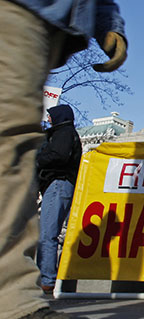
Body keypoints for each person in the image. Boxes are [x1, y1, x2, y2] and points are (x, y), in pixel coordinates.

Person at [0, 0, 127, 319]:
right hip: (26, 12)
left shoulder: (63, 136)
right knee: (9, 137)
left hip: (47, 22)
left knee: (13, 139)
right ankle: (8, 305)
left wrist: (104, 18)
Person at [36, 105, 82, 294]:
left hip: (58, 183)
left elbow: (58, 156)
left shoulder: (63, 133)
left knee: (48, 233)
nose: (48, 118)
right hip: (59, 184)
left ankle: (46, 279)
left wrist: (38, 158)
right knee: (50, 233)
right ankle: (47, 277)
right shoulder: (65, 133)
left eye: (50, 115)